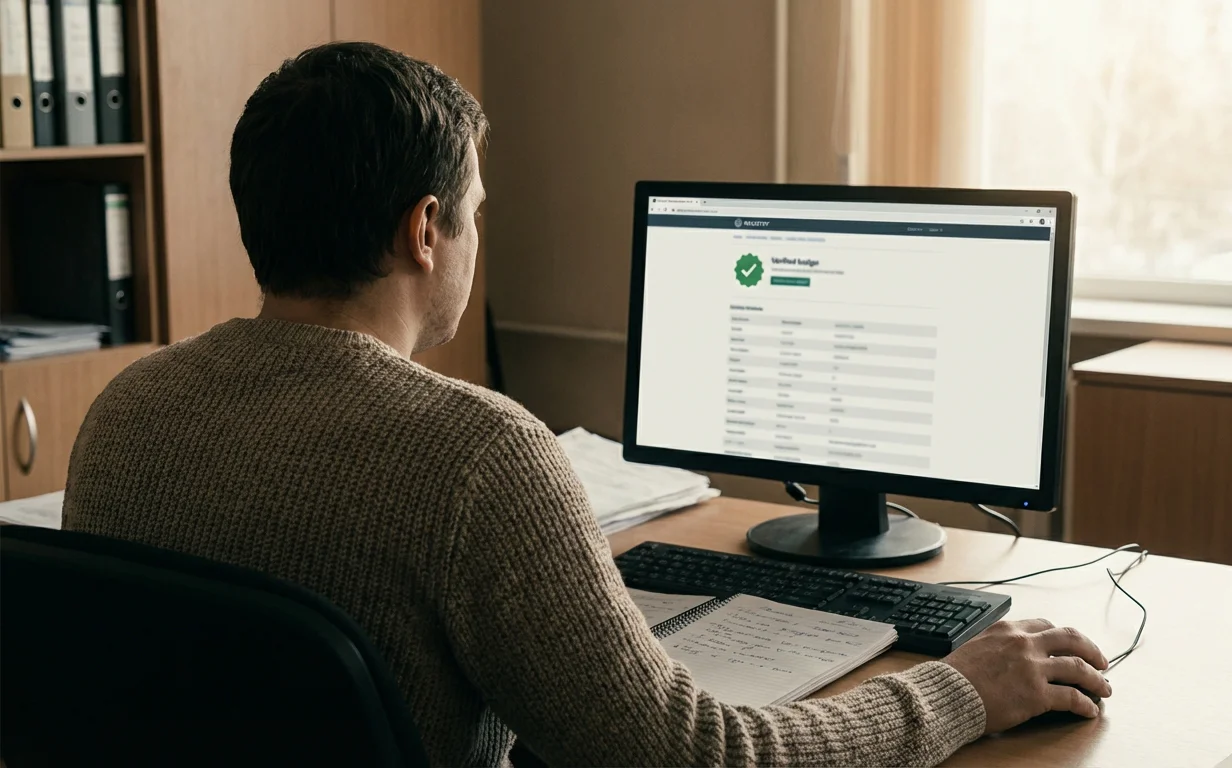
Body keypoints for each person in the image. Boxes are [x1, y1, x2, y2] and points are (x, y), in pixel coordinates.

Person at [63, 41, 1112, 767]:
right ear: (424, 230)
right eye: (474, 213)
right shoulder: (472, 454)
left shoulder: (126, 410)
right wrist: (960, 691)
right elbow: (690, 757)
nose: (476, 237)